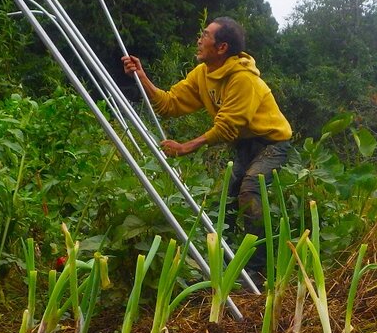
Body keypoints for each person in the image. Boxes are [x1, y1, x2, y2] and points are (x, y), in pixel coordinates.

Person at [122, 16, 292, 275]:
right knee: (228, 200)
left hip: (271, 142)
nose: (199, 41)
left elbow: (226, 127)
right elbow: (169, 104)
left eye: (205, 36)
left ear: (221, 47)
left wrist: (186, 146)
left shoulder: (242, 78)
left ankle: (260, 268)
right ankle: (233, 257)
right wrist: (141, 76)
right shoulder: (203, 74)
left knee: (249, 190)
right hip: (244, 144)